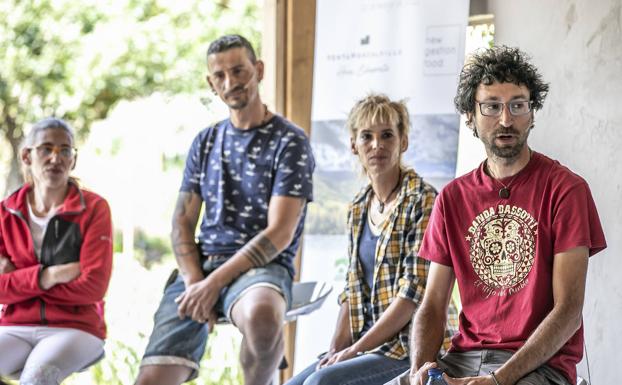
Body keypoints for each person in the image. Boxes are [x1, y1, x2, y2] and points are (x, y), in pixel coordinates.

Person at [385, 46, 607, 385]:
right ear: (471, 115)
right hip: (461, 359)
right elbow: (431, 304)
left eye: (518, 105)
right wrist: (421, 370)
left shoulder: (566, 190)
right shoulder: (452, 198)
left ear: (532, 113)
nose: (506, 119)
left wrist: (499, 380)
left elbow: (568, 313)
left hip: (539, 367)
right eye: (491, 106)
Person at [134, 34, 315, 385]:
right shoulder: (204, 141)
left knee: (263, 317)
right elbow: (182, 223)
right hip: (202, 267)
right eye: (220, 76)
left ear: (258, 70)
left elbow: (279, 233)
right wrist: (194, 283)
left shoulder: (290, 141)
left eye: (239, 71)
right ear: (211, 83)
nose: (230, 83)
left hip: (262, 267)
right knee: (149, 381)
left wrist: (212, 285)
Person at [285, 94, 458, 385]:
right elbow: (352, 290)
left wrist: (354, 349)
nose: (377, 145)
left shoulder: (424, 200)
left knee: (320, 383)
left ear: (403, 142)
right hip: (370, 345)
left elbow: (411, 296)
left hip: (410, 347)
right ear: (354, 144)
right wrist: (336, 351)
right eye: (367, 136)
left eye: (387, 135)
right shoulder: (357, 207)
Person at [0, 118, 113, 385]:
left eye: (65, 150)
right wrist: (47, 277)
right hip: (15, 326)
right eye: (46, 148)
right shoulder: (5, 213)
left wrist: (19, 280)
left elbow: (93, 287)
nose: (56, 157)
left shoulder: (94, 208)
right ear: (27, 155)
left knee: (37, 378)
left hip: (76, 327)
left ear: (73, 159)